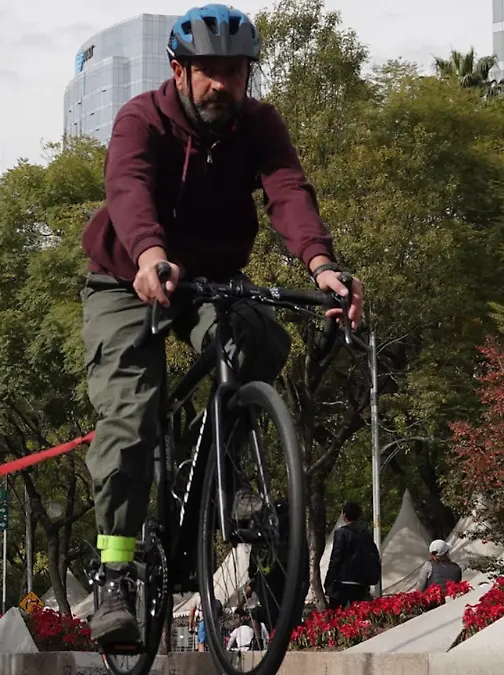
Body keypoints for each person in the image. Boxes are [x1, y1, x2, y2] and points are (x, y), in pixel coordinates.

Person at [79, 3, 365, 647]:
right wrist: (150, 256)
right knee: (131, 416)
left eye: (234, 73)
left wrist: (322, 265)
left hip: (209, 279)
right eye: (208, 72)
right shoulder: (140, 120)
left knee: (260, 336)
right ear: (178, 69)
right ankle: (116, 573)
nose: (221, 86)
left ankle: (226, 477)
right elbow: (128, 188)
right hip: (128, 277)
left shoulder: (258, 124)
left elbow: (288, 189)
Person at [324, 501, 380, 608]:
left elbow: (336, 557)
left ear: (344, 515)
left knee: (338, 615)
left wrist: (329, 580)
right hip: (361, 582)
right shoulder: (365, 534)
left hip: (342, 582)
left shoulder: (341, 533)